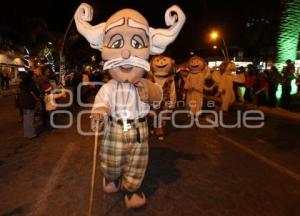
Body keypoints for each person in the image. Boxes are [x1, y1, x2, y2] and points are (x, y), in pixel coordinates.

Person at [74, 3, 185, 208]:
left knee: (137, 163)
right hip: (115, 128)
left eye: (135, 43)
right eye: (117, 44)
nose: (125, 54)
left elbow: (158, 95)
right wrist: (99, 113)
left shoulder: (146, 82)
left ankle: (132, 189)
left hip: (139, 130)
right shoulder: (109, 87)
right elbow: (101, 103)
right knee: (111, 160)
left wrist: (148, 91)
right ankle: (112, 177)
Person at [150, 55, 176, 141]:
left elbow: (172, 91)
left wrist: (172, 102)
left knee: (163, 116)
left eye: (164, 60)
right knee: (153, 115)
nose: (161, 62)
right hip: (153, 101)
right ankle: (153, 127)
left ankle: (160, 129)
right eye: (158, 60)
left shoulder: (171, 79)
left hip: (165, 100)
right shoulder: (150, 78)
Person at [19, 71, 39, 138]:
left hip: (23, 103)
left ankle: (26, 134)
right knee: (30, 119)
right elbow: (34, 93)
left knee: (26, 119)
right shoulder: (31, 84)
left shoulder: (22, 84)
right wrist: (37, 99)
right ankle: (31, 135)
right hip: (29, 103)